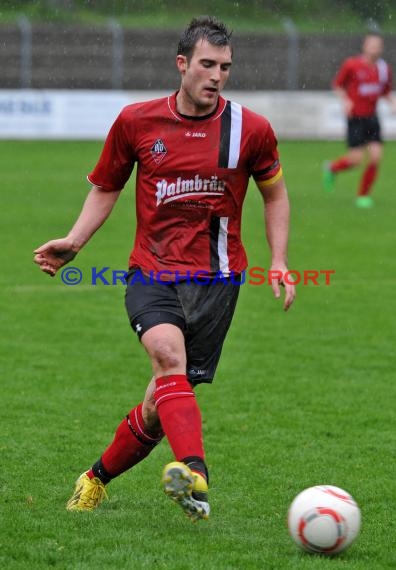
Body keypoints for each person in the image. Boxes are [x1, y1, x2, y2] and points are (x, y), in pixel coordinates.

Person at [34, 16, 295, 522]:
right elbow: (107, 185)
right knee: (165, 354)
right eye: (206, 64)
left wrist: (279, 259)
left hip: (218, 280)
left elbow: (275, 194)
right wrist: (75, 240)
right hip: (151, 270)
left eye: (225, 66)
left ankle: (95, 478)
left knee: (160, 404)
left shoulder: (252, 129)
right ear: (182, 64)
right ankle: (194, 473)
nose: (216, 75)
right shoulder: (137, 121)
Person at [323, 33, 396, 208]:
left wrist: (393, 103)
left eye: (378, 46)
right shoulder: (352, 65)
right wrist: (346, 100)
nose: (375, 49)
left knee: (375, 157)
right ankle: (332, 168)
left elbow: (385, 91)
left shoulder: (384, 69)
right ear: (364, 46)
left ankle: (363, 195)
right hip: (355, 119)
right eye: (372, 45)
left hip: (372, 119)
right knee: (355, 160)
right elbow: (338, 85)